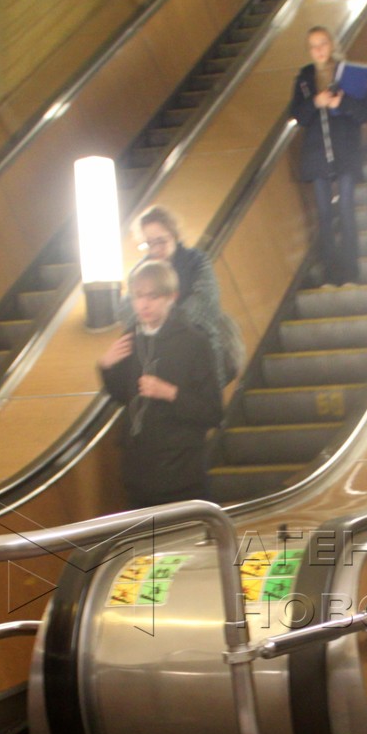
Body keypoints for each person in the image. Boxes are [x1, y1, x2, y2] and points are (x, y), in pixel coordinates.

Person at [98, 259, 224, 508]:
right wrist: (106, 367)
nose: (143, 304)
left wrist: (169, 393)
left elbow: (213, 412)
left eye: (152, 296)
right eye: (138, 296)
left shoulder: (194, 342)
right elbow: (123, 396)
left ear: (171, 297)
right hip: (138, 475)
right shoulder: (131, 339)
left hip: (181, 475)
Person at [289, 25, 367, 287]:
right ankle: (332, 274)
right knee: (325, 216)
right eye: (313, 46)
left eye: (323, 43)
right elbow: (298, 116)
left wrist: (342, 103)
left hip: (346, 152)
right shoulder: (304, 78)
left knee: (347, 210)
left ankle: (351, 273)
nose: (319, 50)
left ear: (332, 44)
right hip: (317, 155)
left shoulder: (347, 74)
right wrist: (316, 102)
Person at [138, 205, 241, 387]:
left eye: (161, 241)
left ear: (174, 236)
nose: (156, 249)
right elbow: (129, 311)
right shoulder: (142, 272)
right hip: (160, 363)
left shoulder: (196, 262)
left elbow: (205, 304)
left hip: (201, 356)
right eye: (150, 243)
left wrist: (162, 323)